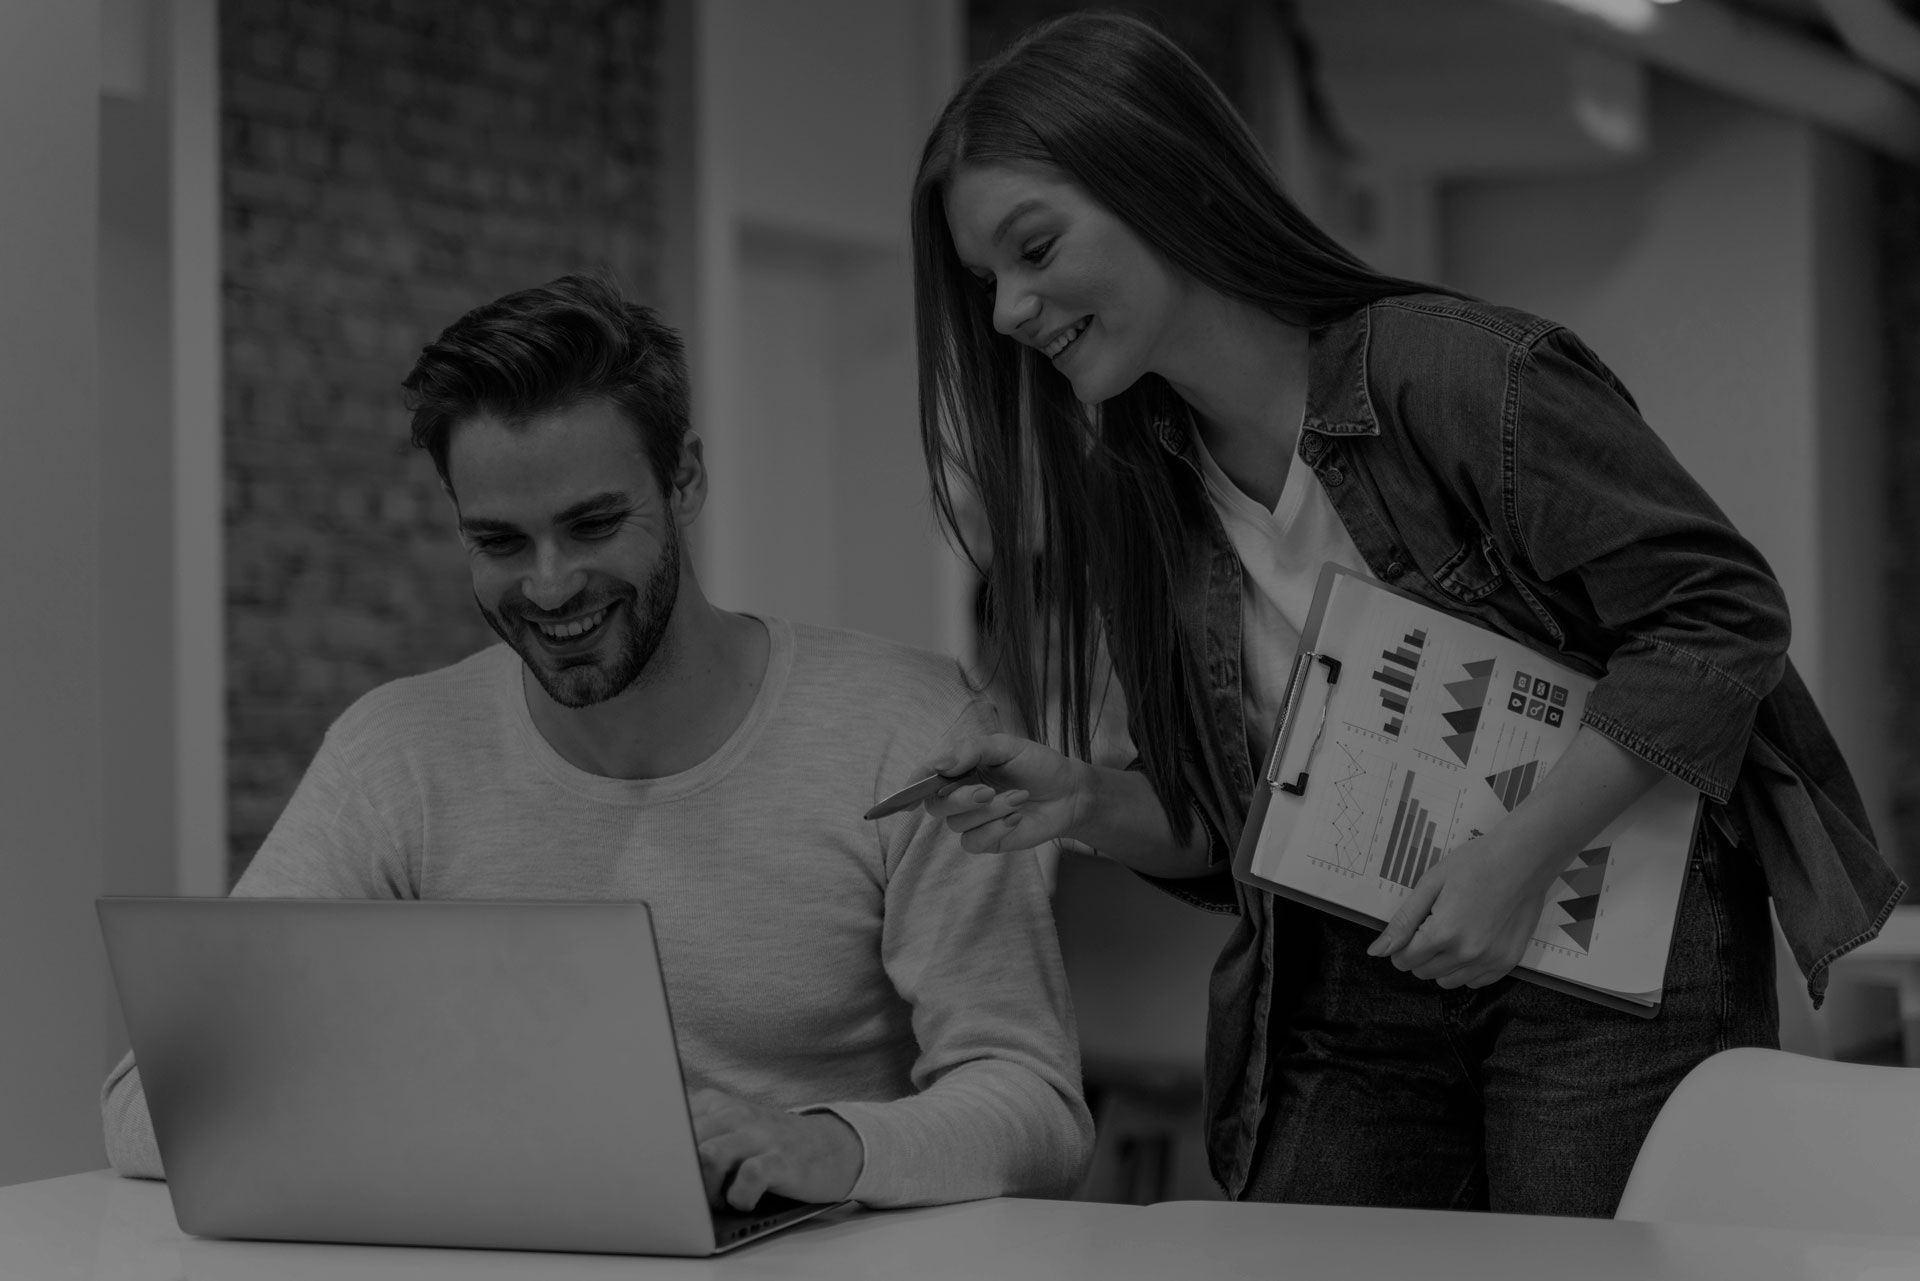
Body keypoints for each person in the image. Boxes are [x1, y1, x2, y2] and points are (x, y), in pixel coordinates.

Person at [905, 12, 1902, 1217]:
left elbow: (1719, 617)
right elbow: (1242, 830)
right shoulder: (1139, 486)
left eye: (1034, 248)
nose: (1008, 312)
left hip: (1601, 950)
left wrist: (1517, 860)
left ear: (1166, 182)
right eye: (987, 282)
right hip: (1349, 977)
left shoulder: (1458, 375)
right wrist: (1085, 802)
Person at [101, 274, 1093, 1211]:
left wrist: (832, 1147)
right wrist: (444, 1134)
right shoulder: (395, 754)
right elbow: (151, 1101)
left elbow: (1037, 1104)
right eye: (499, 542)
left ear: (685, 478)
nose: (549, 585)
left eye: (592, 525)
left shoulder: (909, 727)